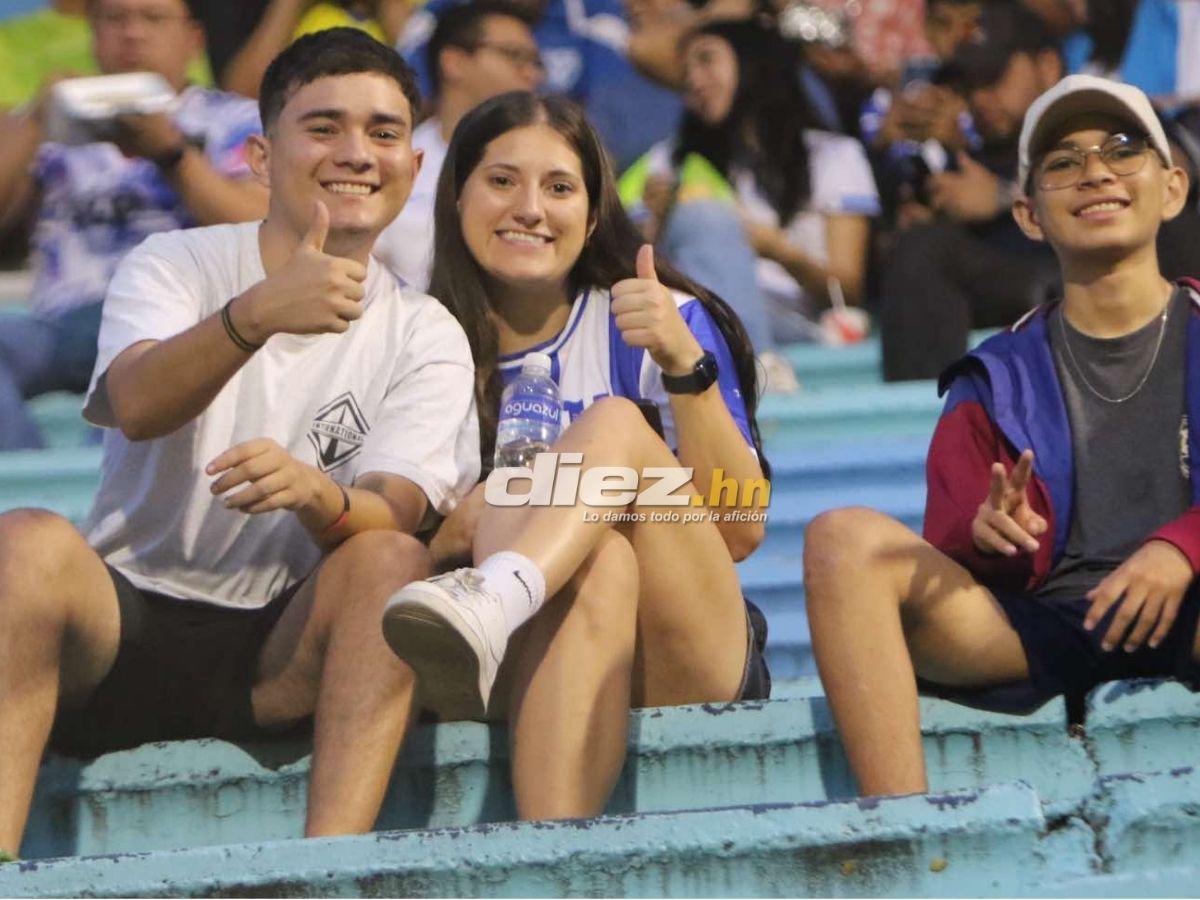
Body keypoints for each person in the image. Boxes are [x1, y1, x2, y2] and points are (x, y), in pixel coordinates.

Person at [0, 27, 479, 859]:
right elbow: (136, 404)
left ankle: (329, 866)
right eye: (323, 127)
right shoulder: (175, 262)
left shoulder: (426, 331)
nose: (356, 153)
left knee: (392, 563)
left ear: (415, 163)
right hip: (124, 623)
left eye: (384, 132)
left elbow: (395, 514)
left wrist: (316, 493)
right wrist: (254, 314)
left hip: (275, 651)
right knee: (27, 541)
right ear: (260, 157)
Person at [803, 74, 1200, 797]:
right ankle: (903, 834)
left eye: (1121, 149)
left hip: (1192, 606)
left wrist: (1183, 547)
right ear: (1028, 215)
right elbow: (951, 548)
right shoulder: (991, 377)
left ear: (1172, 188)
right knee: (840, 540)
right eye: (1063, 162)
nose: (1096, 172)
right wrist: (991, 539)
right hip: (1039, 624)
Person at [381, 91, 771, 820]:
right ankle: (550, 851)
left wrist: (684, 363)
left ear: (593, 215)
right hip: (501, 663)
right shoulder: (411, 339)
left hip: (680, 646)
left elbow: (741, 528)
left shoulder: (660, 320)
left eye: (559, 188)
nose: (529, 208)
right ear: (456, 194)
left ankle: (502, 591)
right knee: (598, 562)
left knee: (617, 424)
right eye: (502, 181)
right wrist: (453, 532)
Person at [0, 0, 267, 451]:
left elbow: (259, 228)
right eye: (115, 19)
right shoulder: (51, 122)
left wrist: (171, 154)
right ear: (93, 34)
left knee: (143, 369)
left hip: (180, 318)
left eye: (153, 19)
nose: (133, 34)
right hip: (65, 320)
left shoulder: (234, 118)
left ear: (194, 39)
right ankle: (27, 490)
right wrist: (35, 122)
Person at [625, 19, 879, 388]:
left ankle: (750, 370)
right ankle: (753, 370)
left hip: (789, 322)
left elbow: (847, 287)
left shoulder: (833, 155)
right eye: (687, 70)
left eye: (707, 61)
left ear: (752, 65)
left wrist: (774, 249)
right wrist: (657, 224)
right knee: (701, 222)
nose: (693, 81)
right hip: (693, 314)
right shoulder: (667, 162)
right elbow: (631, 271)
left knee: (707, 219)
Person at [877, 1, 1064, 382]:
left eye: (993, 77)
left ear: (1047, 67)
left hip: (1073, 286)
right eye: (970, 84)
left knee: (926, 249)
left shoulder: (1087, 128)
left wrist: (1000, 197)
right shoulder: (968, 155)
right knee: (918, 246)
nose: (979, 98)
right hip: (992, 301)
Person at [373, 1, 545, 288]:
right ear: (455, 62)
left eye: (536, 62)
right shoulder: (391, 161)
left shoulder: (551, 165)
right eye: (514, 56)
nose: (532, 74)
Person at [220, 0, 412, 100]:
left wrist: (389, 5)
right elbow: (241, 96)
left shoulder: (412, 11)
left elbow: (426, 93)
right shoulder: (293, 14)